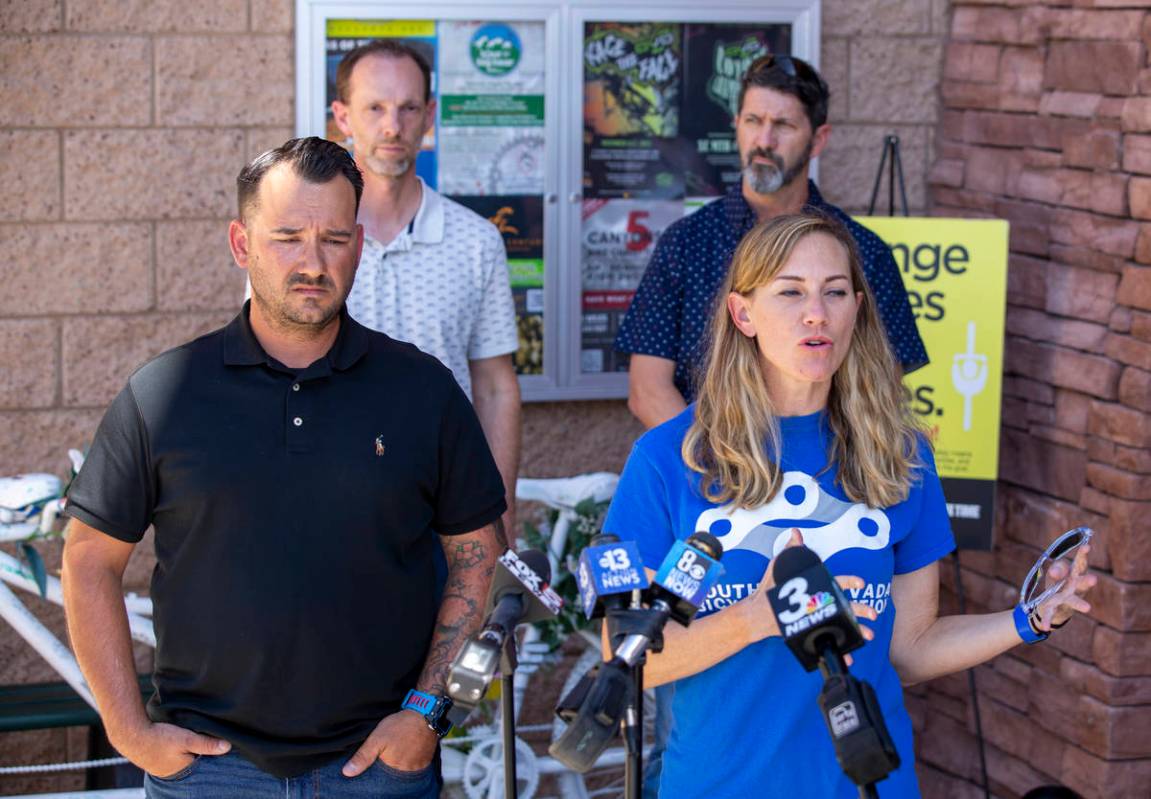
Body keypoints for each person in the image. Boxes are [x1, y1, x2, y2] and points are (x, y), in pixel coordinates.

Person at [61, 137, 508, 798]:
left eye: (332, 238)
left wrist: (424, 715)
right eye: (288, 237)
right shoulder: (168, 391)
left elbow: (478, 555)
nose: (312, 262)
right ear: (242, 245)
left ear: (357, 245)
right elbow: (87, 559)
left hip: (377, 768)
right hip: (207, 769)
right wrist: (129, 732)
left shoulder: (421, 391)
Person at [602, 213, 1095, 798]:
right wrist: (754, 618)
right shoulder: (667, 458)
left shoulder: (898, 453)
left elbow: (909, 650)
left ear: (857, 309)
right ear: (743, 314)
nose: (817, 313)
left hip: (869, 784)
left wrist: (1031, 617)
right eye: (790, 292)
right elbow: (628, 656)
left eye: (835, 292)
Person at [615, 53, 928, 430]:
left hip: (822, 476)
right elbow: (647, 388)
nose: (764, 140)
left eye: (783, 125)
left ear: (817, 140)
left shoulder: (865, 252)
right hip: (707, 471)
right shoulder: (686, 242)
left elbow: (882, 388)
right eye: (753, 121)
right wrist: (721, 467)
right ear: (736, 126)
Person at [331, 40, 521, 534]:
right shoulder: (307, 241)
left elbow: (496, 387)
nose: (393, 126)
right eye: (374, 107)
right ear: (343, 117)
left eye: (409, 107)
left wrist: (499, 512)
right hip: (328, 501)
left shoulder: (476, 241)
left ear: (429, 114)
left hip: (446, 509)